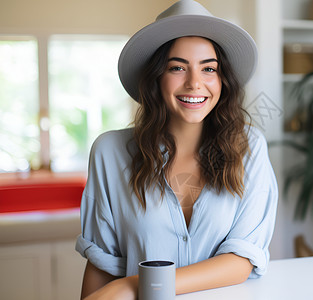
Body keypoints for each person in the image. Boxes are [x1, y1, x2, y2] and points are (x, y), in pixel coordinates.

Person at [75, 0, 278, 299]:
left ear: (222, 81)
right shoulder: (109, 152)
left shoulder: (249, 147)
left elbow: (241, 261)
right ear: (156, 78)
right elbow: (103, 261)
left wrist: (130, 285)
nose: (195, 83)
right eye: (177, 67)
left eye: (208, 68)